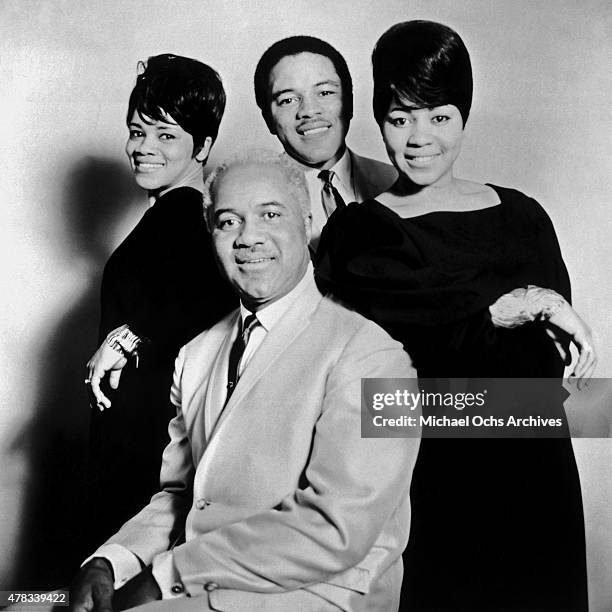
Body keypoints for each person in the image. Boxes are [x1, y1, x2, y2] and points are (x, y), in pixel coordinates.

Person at [316, 20, 596, 611]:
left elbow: (548, 376)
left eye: (439, 116)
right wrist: (513, 308)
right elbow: (396, 379)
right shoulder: (358, 234)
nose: (419, 138)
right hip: (433, 489)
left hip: (540, 480)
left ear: (463, 116)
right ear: (378, 120)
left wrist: (474, 337)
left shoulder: (523, 216)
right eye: (400, 117)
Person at [69, 151, 419, 612]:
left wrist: (166, 577)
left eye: (270, 215)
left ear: (307, 220)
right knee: (22, 603)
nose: (248, 238)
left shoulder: (379, 358)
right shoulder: (196, 354)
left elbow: (337, 530)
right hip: (201, 587)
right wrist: (111, 562)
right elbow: (183, 497)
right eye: (228, 222)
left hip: (316, 597)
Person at [85, 54, 236, 548]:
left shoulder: (186, 217)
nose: (143, 148)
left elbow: (206, 301)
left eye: (166, 135)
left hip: (151, 451)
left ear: (203, 146)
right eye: (137, 131)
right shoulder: (169, 216)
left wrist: (129, 337)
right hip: (134, 445)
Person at [254, 35, 397, 249]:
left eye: (325, 92)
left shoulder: (395, 182)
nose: (309, 111)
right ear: (268, 120)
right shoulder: (252, 200)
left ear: (349, 102)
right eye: (288, 100)